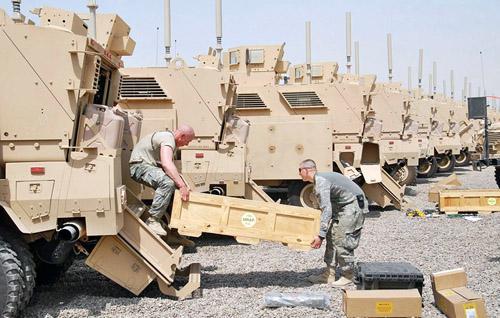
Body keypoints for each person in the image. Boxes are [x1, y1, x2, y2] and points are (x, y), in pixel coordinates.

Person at [298, 159, 368, 287]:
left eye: (299, 170)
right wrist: (323, 232)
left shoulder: (321, 182)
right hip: (343, 208)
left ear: (306, 170)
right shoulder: (319, 180)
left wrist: (320, 235)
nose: (299, 174)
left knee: (342, 239)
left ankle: (348, 275)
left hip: (352, 207)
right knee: (331, 238)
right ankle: (328, 275)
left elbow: (326, 209)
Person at [129, 125, 195, 245]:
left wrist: (182, 184)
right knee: (167, 183)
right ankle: (152, 220)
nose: (187, 144)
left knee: (175, 192)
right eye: (188, 141)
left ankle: (174, 233)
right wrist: (182, 186)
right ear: (182, 136)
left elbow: (171, 169)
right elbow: (166, 164)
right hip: (139, 167)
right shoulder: (168, 138)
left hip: (146, 166)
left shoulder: (168, 139)